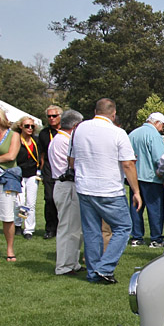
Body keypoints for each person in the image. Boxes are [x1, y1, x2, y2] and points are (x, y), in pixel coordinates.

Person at [69, 98, 141, 283]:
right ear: (113, 113)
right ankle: (105, 267)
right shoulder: (118, 132)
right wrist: (136, 191)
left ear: (95, 111)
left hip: (85, 187)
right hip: (109, 189)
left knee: (91, 229)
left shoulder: (80, 129)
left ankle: (93, 272)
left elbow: (72, 159)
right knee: (124, 227)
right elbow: (127, 164)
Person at [49, 109, 84, 275]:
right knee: (68, 227)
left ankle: (72, 261)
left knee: (74, 227)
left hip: (65, 185)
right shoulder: (64, 141)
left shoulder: (60, 139)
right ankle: (64, 265)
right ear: (76, 125)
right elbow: (72, 164)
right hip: (67, 185)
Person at [128, 112, 164, 248]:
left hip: (134, 177)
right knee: (155, 210)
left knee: (136, 208)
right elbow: (159, 159)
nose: (163, 129)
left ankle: (136, 237)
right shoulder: (154, 136)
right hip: (152, 178)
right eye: (163, 126)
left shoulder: (133, 134)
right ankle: (156, 239)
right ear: (157, 123)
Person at [0, 104, 22, 261]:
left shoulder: (14, 135)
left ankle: (10, 249)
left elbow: (11, 156)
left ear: (0, 118)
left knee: (7, 215)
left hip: (6, 178)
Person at [13, 116, 41, 239]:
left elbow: (42, 156)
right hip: (19, 174)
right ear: (21, 127)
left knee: (31, 203)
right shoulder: (16, 140)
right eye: (27, 126)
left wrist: (40, 171)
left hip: (33, 174)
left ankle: (29, 229)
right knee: (20, 202)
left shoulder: (36, 140)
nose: (30, 128)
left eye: (32, 126)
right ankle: (18, 224)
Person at [38, 105, 62, 238]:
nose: (51, 118)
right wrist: (41, 168)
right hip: (48, 166)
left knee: (63, 199)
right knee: (49, 198)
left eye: (54, 116)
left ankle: (63, 227)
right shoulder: (44, 133)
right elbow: (42, 153)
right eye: (49, 116)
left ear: (60, 117)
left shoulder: (66, 131)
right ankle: (50, 228)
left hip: (63, 166)